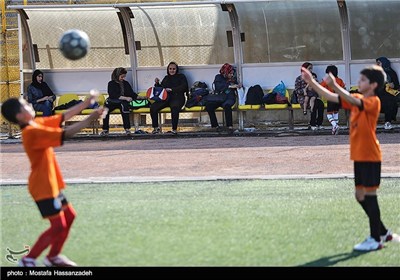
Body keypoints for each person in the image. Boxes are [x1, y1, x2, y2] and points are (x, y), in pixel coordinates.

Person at [1, 96, 104, 266]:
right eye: (25, 105)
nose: (30, 105)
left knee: (69, 217)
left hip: (51, 185)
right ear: (20, 116)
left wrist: (86, 103)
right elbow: (66, 133)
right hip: (43, 187)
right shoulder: (32, 131)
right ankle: (28, 259)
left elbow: (64, 117)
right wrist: (90, 118)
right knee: (58, 226)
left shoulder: (36, 124)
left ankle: (53, 257)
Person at [302, 65, 393, 252]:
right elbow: (332, 97)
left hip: (370, 157)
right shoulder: (357, 98)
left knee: (370, 195)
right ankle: (383, 231)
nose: (358, 82)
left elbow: (347, 97)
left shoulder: (373, 101)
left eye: (362, 80)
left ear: (374, 85)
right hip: (359, 156)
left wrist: (335, 84)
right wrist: (312, 82)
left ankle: (375, 239)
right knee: (360, 196)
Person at [151, 62, 188, 135]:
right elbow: (162, 88)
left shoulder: (181, 76)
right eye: (170, 69)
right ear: (168, 69)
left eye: (174, 69)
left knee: (174, 108)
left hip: (177, 97)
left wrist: (172, 90)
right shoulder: (166, 78)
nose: (172, 70)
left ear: (177, 69)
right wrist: (157, 84)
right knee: (153, 107)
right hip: (166, 98)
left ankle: (174, 129)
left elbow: (184, 87)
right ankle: (155, 128)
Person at [100, 67, 138, 136]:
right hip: (113, 101)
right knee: (105, 110)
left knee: (124, 108)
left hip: (122, 102)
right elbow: (112, 95)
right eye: (122, 76)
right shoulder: (111, 83)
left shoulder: (125, 83)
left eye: (124, 77)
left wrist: (140, 97)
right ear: (117, 75)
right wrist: (125, 98)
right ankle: (105, 129)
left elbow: (131, 93)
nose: (123, 78)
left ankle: (127, 129)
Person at [206, 63, 241, 132]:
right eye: (229, 73)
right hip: (219, 98)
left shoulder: (233, 79)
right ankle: (215, 126)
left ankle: (229, 126)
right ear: (225, 72)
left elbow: (236, 85)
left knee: (227, 106)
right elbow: (218, 86)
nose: (231, 75)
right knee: (209, 106)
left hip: (229, 97)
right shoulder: (218, 77)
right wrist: (229, 86)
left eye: (232, 73)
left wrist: (237, 86)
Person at [320, 65, 345, 135]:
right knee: (336, 113)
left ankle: (335, 125)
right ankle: (334, 129)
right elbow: (343, 88)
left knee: (329, 114)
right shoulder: (340, 80)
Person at [376, 57, 399, 130]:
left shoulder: (391, 73)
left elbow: (396, 85)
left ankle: (387, 122)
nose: (377, 65)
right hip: (378, 93)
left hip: (389, 93)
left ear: (384, 63)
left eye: (379, 63)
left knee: (389, 101)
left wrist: (393, 85)